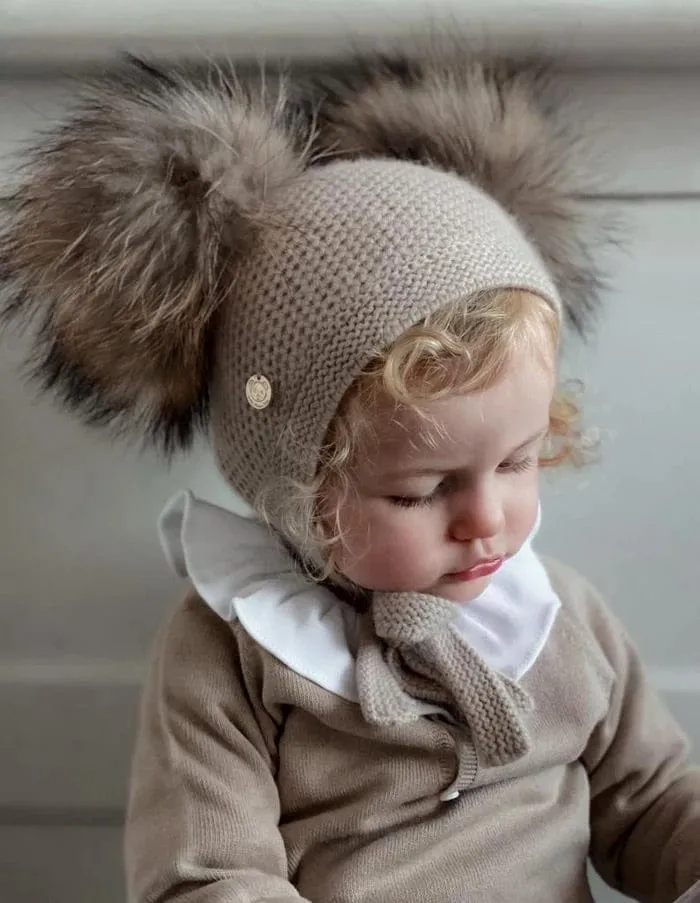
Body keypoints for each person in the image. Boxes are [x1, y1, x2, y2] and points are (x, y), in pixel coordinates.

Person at [2, 47, 699, 903]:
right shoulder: (230, 653)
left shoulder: (556, 616)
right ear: (296, 489)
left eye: (518, 461)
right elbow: (208, 873)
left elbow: (652, 800)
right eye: (419, 490)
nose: (488, 519)